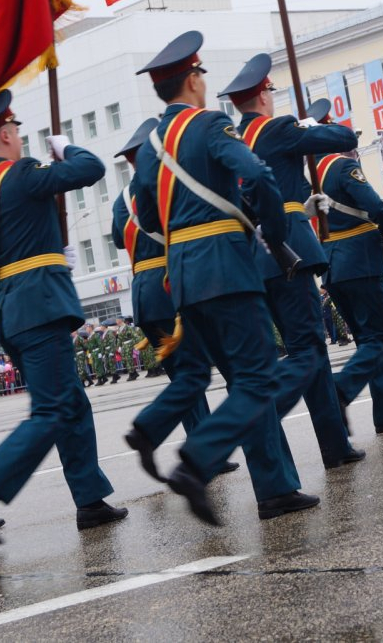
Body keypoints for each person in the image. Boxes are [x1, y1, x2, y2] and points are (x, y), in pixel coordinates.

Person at [130, 31, 316, 525]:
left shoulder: (149, 146)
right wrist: (274, 237)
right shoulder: (212, 125)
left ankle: (274, 487)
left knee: (232, 380)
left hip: (185, 277)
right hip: (228, 268)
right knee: (255, 379)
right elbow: (256, 175)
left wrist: (180, 243)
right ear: (193, 79)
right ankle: (199, 460)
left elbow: (144, 213)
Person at [0, 91, 127, 540]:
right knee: (52, 410)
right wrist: (65, 148)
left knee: (70, 404)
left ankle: (89, 499)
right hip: (39, 306)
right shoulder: (24, 174)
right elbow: (91, 169)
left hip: (13, 308)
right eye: (18, 134)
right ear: (8, 134)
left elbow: (12, 244)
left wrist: (51, 252)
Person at [219, 54, 365, 469]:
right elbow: (344, 138)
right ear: (263, 95)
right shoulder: (279, 128)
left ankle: (334, 444)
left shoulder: (229, 138)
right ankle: (258, 427)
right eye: (270, 90)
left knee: (294, 353)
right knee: (307, 350)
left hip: (247, 257)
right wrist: (309, 127)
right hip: (287, 254)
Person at [115, 118, 225, 478]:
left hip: (143, 293)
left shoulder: (120, 201)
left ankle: (197, 445)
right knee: (194, 371)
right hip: (170, 283)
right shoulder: (162, 182)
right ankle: (200, 449)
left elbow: (119, 238)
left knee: (184, 373)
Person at [314, 145, 383, 437]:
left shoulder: (310, 176)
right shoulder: (344, 168)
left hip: (332, 267)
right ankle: (342, 387)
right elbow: (378, 208)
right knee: (381, 336)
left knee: (369, 341)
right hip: (360, 263)